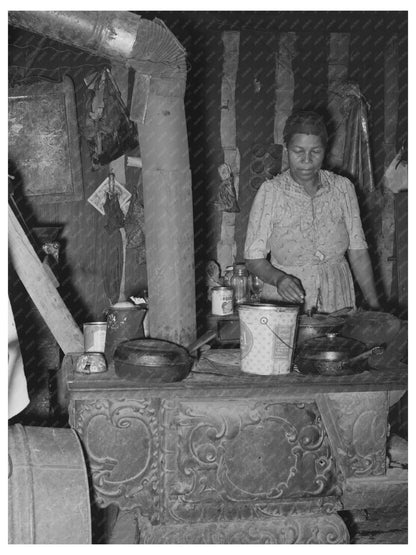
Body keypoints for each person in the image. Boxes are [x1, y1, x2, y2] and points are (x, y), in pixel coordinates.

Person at [244, 110, 380, 313]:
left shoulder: (343, 188)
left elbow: (358, 251)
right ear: (287, 149)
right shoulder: (271, 192)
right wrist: (279, 278)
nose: (307, 160)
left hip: (337, 300)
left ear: (325, 150)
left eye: (315, 152)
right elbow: (253, 258)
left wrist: (374, 305)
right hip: (285, 302)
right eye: (298, 151)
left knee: (338, 344)